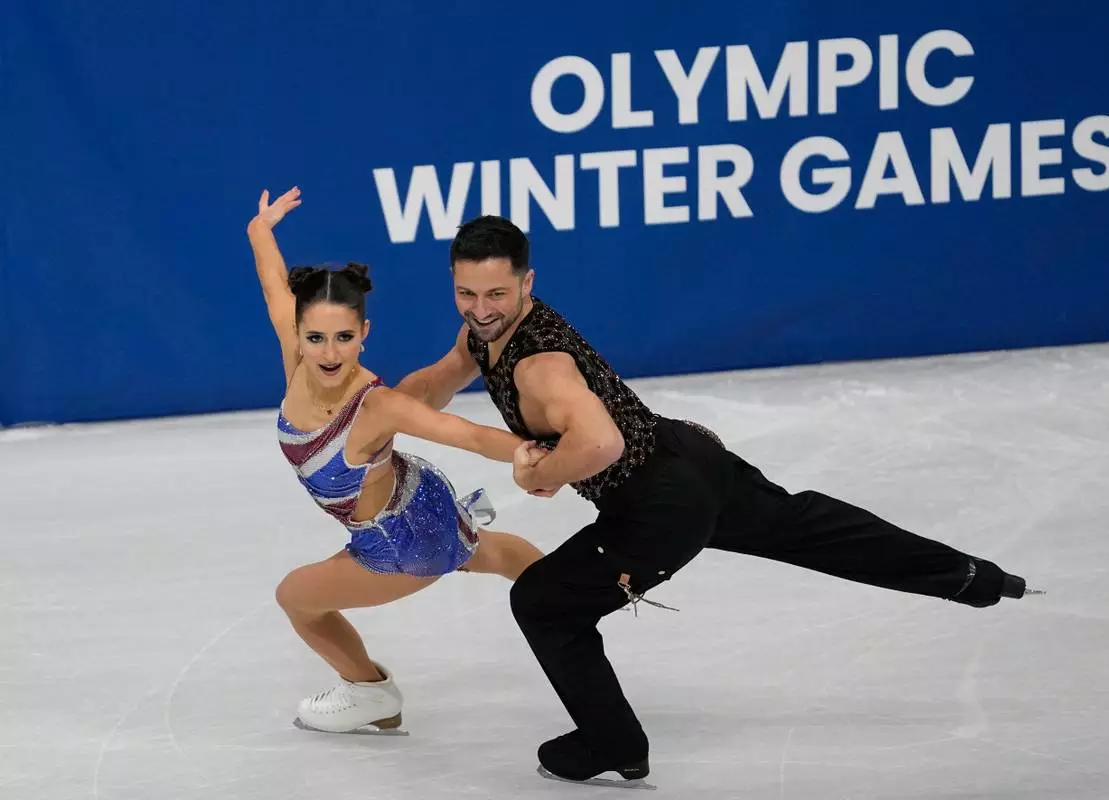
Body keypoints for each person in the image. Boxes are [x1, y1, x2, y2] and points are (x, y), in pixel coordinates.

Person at [394, 215, 1039, 786]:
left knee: (542, 602)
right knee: (811, 526)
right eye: (467, 292)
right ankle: (975, 579)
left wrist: (542, 476)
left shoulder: (541, 365)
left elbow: (598, 444)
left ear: (527, 284)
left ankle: (613, 742)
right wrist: (376, 408)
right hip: (689, 459)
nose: (480, 308)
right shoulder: (485, 332)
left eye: (496, 294)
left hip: (655, 506)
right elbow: (442, 377)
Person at [247, 190, 544, 735]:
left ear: (365, 334)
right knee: (492, 553)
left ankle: (370, 694)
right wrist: (261, 229)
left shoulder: (377, 406)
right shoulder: (298, 360)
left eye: (343, 337)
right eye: (315, 337)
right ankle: (566, 584)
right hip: (419, 499)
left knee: (295, 597)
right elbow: (273, 283)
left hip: (401, 541)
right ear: (298, 334)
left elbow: (468, 434)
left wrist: (528, 452)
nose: (329, 353)